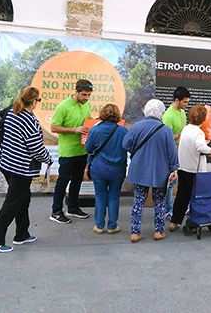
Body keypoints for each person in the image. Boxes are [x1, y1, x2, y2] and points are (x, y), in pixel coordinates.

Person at [0, 86, 53, 253]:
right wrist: (48, 159)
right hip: (20, 167)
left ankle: (22, 234)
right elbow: (36, 148)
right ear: (34, 101)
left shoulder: (11, 113)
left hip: (6, 162)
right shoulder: (28, 120)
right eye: (39, 100)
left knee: (23, 198)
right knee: (13, 201)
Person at [122, 99, 179, 243]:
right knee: (159, 201)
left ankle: (135, 232)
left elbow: (125, 144)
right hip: (160, 172)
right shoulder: (166, 130)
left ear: (146, 111)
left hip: (140, 169)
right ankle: (158, 231)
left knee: (138, 200)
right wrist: (174, 169)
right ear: (161, 113)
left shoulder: (136, 126)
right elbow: (172, 153)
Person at [49, 79, 93, 224]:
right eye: (84, 95)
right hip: (68, 152)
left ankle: (73, 208)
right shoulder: (63, 106)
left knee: (77, 180)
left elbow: (87, 122)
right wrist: (74, 130)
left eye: (89, 95)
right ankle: (56, 211)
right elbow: (54, 127)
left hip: (82, 150)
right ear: (76, 92)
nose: (86, 98)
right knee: (63, 181)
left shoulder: (87, 104)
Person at [168, 105, 211, 232]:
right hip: (195, 171)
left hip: (183, 168)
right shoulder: (199, 132)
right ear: (203, 119)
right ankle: (193, 224)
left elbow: (193, 143)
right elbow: (201, 148)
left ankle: (175, 221)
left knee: (181, 196)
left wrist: (203, 144)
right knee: (196, 198)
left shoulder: (186, 129)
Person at [84, 104, 128, 235]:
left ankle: (99, 226)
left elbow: (88, 149)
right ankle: (112, 226)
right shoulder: (123, 131)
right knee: (114, 197)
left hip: (99, 168)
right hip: (118, 169)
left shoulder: (96, 130)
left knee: (100, 196)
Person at [162, 86, 190, 220]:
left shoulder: (182, 112)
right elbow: (165, 137)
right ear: (177, 100)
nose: (186, 105)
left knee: (180, 181)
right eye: (185, 102)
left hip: (181, 150)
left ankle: (181, 207)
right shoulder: (168, 116)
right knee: (170, 183)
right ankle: (167, 210)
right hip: (170, 152)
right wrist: (179, 134)